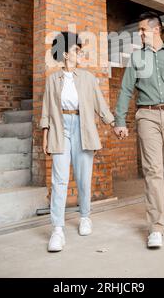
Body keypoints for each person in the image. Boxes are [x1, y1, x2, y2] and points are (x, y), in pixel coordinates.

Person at [114, 12, 164, 249]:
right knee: (153, 170)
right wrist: (119, 120)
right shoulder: (136, 58)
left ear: (155, 30)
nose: (139, 34)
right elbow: (126, 90)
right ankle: (155, 226)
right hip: (146, 115)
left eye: (142, 30)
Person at [40, 31, 115, 252]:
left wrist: (114, 124)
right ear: (65, 54)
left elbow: (100, 105)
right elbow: (46, 108)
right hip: (60, 128)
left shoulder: (88, 78)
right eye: (75, 49)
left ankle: (85, 217)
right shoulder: (52, 79)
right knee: (59, 180)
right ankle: (57, 230)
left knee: (83, 177)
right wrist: (45, 135)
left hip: (83, 128)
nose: (79, 53)